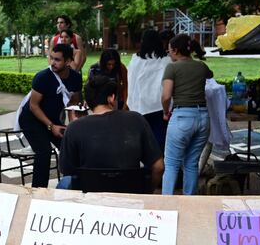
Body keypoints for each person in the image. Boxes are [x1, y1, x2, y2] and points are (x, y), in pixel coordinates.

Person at [58, 75, 163, 190]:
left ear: (87, 103)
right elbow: (158, 167)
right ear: (112, 98)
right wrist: (146, 192)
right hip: (130, 194)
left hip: (90, 197)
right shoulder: (136, 119)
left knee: (65, 182)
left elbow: (67, 170)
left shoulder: (75, 127)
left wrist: (74, 127)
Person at [17, 43, 82, 187]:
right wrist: (51, 126)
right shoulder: (42, 77)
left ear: (68, 61)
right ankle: (38, 191)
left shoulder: (75, 78)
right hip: (31, 120)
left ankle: (72, 184)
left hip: (53, 120)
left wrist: (73, 125)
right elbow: (33, 106)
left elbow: (74, 103)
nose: (52, 62)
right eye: (51, 58)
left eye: (57, 60)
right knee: (44, 152)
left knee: (71, 146)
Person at [161, 34, 212, 195]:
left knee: (171, 163)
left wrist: (165, 111)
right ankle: (189, 202)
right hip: (203, 118)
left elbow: (166, 96)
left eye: (169, 50)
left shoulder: (172, 68)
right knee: (191, 163)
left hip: (182, 117)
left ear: (175, 50)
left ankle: (166, 205)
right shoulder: (201, 66)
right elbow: (210, 75)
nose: (168, 53)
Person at [127, 29, 172, 150]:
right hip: (159, 106)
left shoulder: (136, 59)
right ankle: (159, 165)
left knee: (143, 140)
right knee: (159, 139)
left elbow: (131, 80)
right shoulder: (167, 60)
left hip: (139, 105)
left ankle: (148, 165)